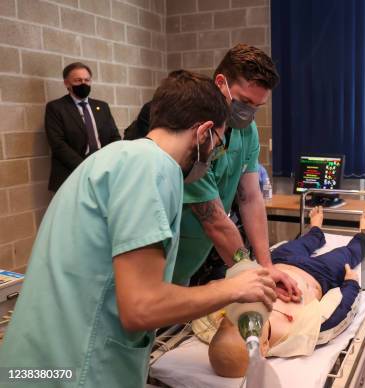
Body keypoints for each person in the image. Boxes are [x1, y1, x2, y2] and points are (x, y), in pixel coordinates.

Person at [0, 72, 277, 388]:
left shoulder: (115, 158)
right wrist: (233, 289)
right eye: (218, 143)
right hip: (76, 372)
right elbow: (142, 307)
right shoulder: (153, 169)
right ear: (203, 133)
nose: (214, 154)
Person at [174, 44, 301, 303]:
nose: (249, 112)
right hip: (171, 256)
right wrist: (251, 273)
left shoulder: (246, 131)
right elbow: (215, 220)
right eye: (244, 102)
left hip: (204, 253)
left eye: (257, 105)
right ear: (221, 82)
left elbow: (250, 197)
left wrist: (266, 265)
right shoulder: (196, 131)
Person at [202, 207, 365, 377]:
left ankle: (316, 228)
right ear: (263, 348)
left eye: (233, 322)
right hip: (319, 274)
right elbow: (338, 312)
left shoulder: (217, 324)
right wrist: (351, 283)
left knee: (302, 242)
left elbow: (208, 299)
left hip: (278, 263)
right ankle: (364, 233)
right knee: (348, 254)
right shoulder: (295, 334)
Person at [45, 62, 121, 192]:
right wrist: (85, 166)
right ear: (67, 83)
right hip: (71, 172)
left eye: (87, 80)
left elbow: (114, 137)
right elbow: (58, 144)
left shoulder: (102, 107)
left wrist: (109, 161)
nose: (83, 84)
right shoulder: (56, 108)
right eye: (78, 80)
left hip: (102, 170)